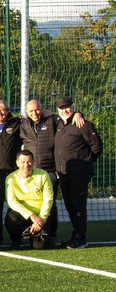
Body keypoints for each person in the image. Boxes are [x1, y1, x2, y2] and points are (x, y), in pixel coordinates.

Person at [53, 97, 102, 249]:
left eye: (67, 107)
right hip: (63, 173)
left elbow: (97, 147)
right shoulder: (59, 124)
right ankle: (76, 234)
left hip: (79, 173)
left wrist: (84, 162)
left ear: (72, 107)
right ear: (58, 110)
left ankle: (81, 238)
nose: (64, 110)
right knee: (70, 205)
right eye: (61, 108)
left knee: (78, 205)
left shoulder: (83, 124)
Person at [20, 100, 61, 245]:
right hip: (31, 172)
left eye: (37, 110)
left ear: (42, 109)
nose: (34, 113)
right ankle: (32, 232)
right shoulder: (23, 124)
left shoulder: (52, 120)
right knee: (31, 202)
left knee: (50, 204)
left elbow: (66, 117)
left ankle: (52, 235)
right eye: (30, 111)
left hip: (49, 171)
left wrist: (78, 114)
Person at [5, 151, 54, 250]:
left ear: (33, 162)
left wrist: (41, 220)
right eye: (23, 162)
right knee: (11, 216)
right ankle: (16, 240)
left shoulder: (43, 175)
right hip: (24, 215)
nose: (26, 165)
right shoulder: (10, 178)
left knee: (40, 247)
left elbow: (48, 199)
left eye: (29, 161)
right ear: (17, 163)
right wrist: (32, 216)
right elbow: (11, 202)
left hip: (40, 217)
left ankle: (34, 234)